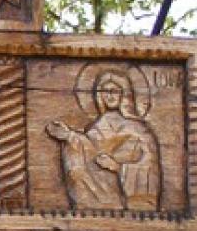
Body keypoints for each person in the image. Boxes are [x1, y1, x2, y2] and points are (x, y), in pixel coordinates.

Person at [46, 70, 161, 212]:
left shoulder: (139, 129)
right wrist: (69, 136)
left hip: (126, 197)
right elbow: (88, 152)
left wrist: (118, 167)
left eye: (114, 91)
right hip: (101, 196)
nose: (110, 96)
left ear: (124, 94)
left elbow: (150, 166)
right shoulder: (96, 128)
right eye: (105, 91)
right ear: (99, 95)